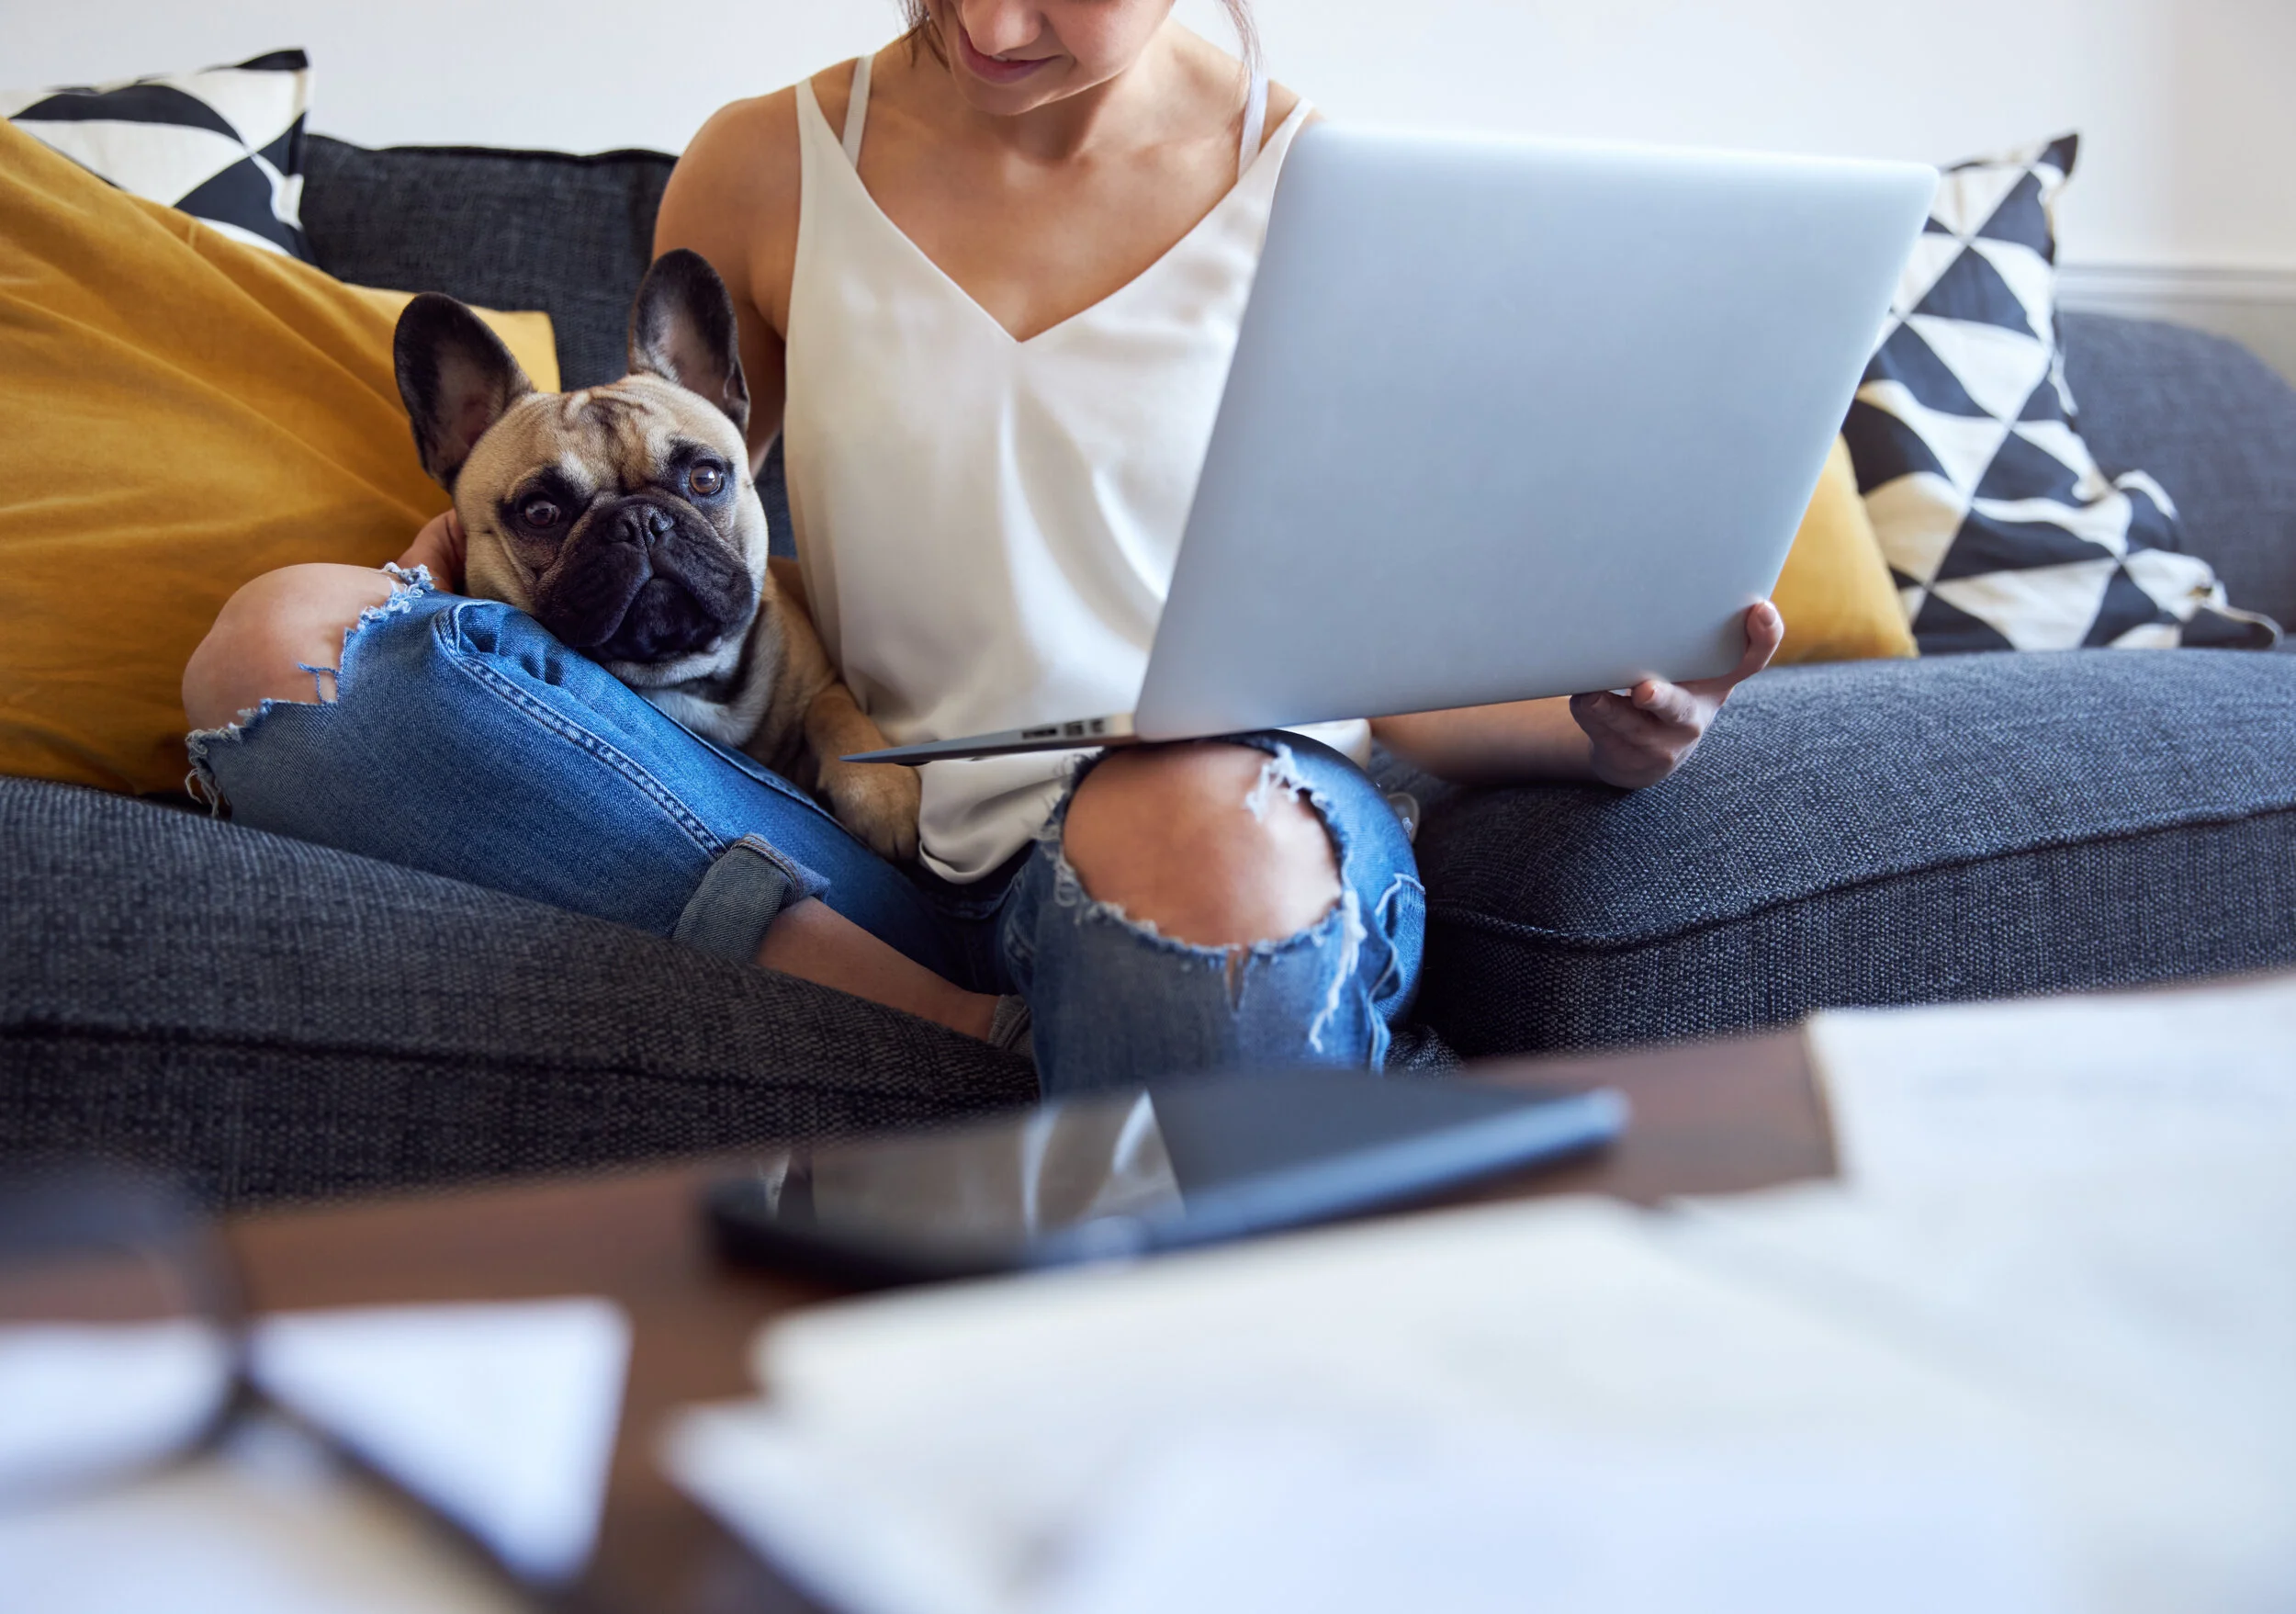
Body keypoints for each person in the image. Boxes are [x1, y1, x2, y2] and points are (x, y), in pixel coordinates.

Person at [182, 0, 1782, 1092]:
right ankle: (976, 1027)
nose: (995, 25)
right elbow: (679, 505)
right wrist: (487, 571)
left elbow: (1408, 689)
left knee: (1194, 835)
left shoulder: (1330, 191)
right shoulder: (759, 165)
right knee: (283, 648)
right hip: (864, 848)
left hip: (1204, 822)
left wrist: (1598, 725)